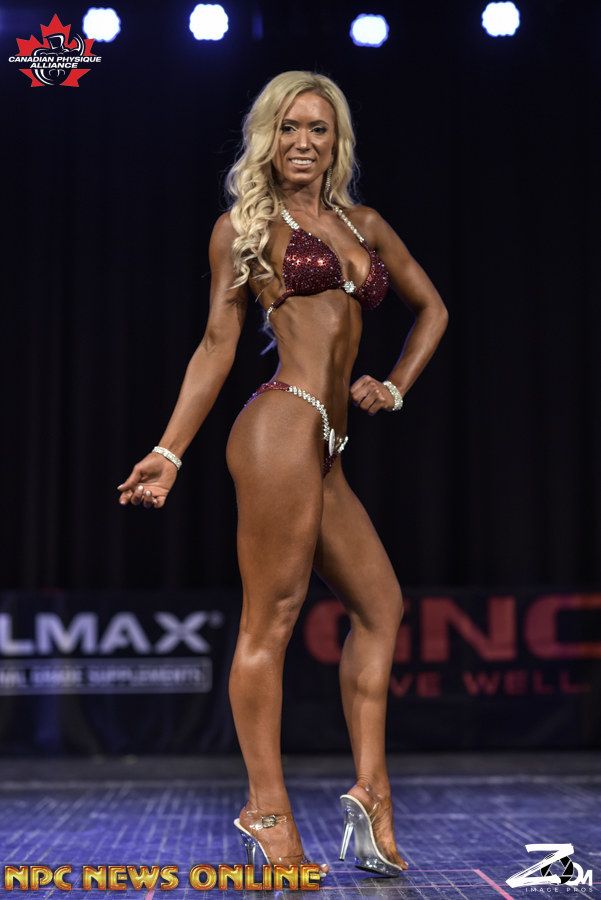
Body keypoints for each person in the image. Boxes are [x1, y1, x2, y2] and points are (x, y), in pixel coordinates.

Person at [117, 70, 448, 879]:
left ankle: (371, 793)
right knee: (271, 621)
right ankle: (265, 809)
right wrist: (168, 451)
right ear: (267, 138)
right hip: (279, 425)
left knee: (381, 607)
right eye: (289, 128)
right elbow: (215, 347)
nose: (303, 142)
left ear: (336, 143)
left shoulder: (363, 223)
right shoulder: (244, 229)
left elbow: (432, 309)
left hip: (326, 444)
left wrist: (394, 385)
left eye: (318, 129)